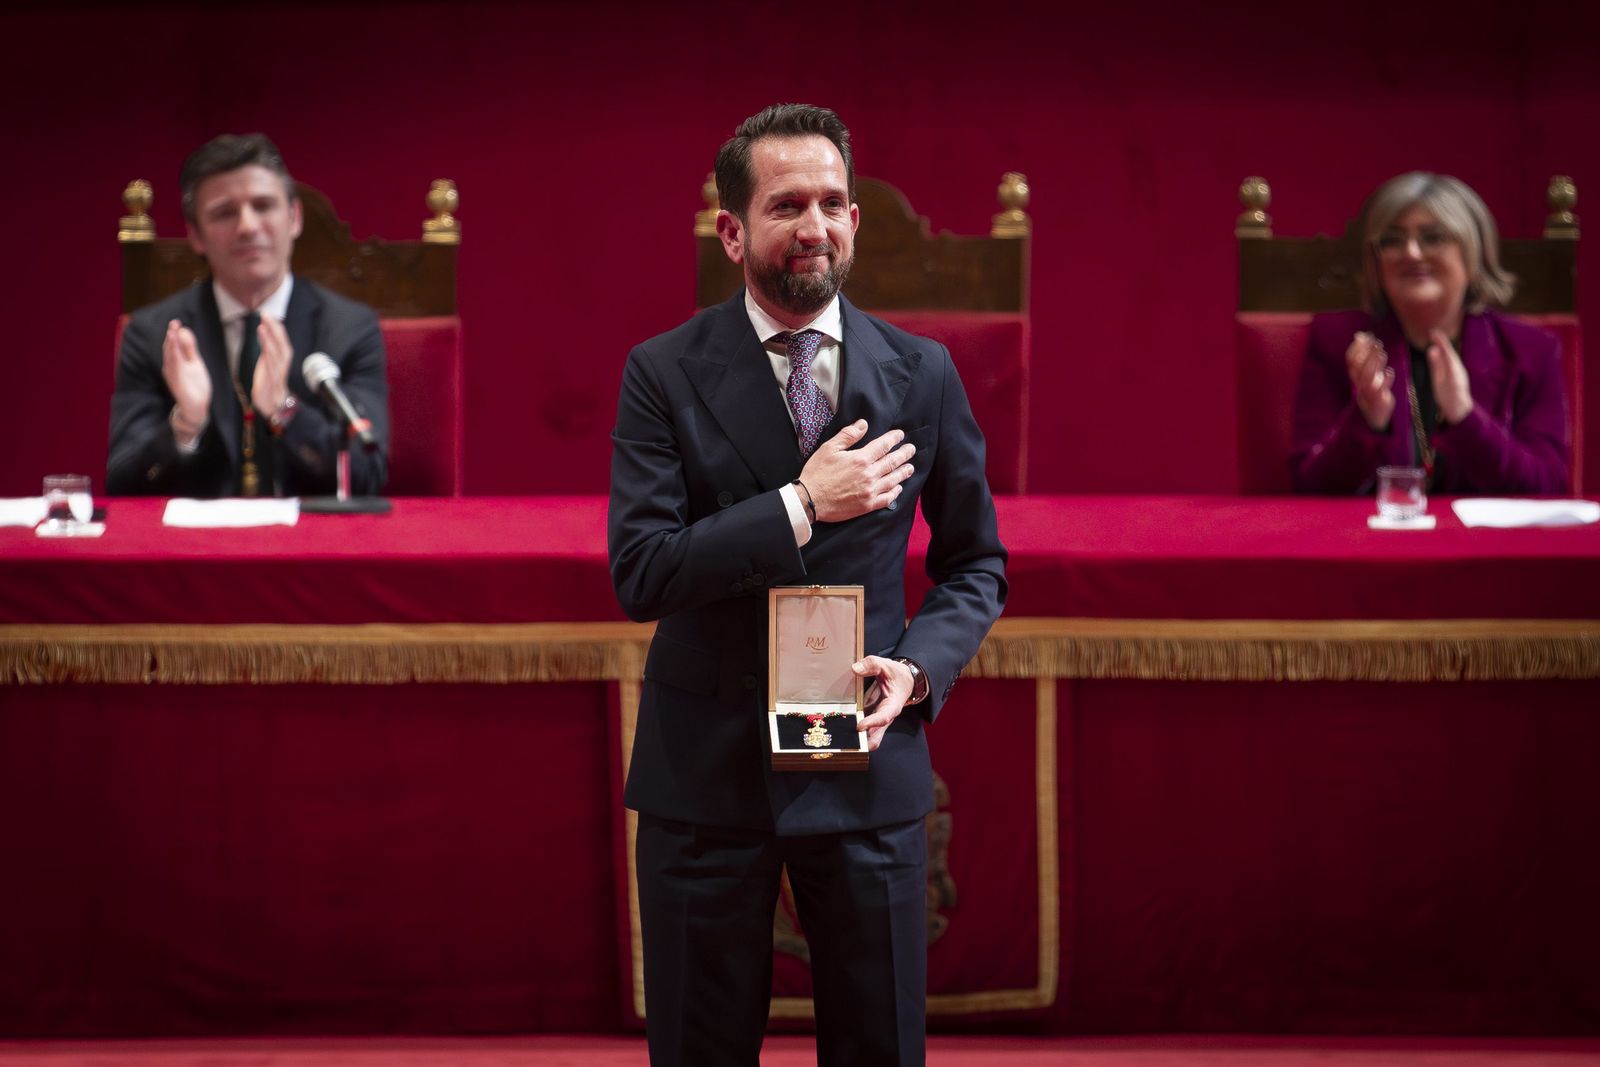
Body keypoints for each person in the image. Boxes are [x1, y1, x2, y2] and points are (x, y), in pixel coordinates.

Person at [608, 104, 1007, 1066]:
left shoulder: (924, 372)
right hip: (708, 774)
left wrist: (917, 670)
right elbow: (643, 570)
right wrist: (800, 504)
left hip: (864, 757)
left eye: (833, 203)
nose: (814, 226)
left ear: (855, 220)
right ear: (732, 231)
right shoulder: (662, 372)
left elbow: (976, 564)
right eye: (786, 205)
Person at [107, 133, 388, 497]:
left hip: (307, 532)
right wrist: (186, 424)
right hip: (198, 534)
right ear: (196, 236)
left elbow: (368, 476)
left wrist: (286, 410)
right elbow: (122, 483)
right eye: (225, 213)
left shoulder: (350, 329)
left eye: (263, 205)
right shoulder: (154, 334)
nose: (248, 227)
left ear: (294, 218)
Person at [1290, 171, 1570, 495]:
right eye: (1392, 240)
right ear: (1376, 262)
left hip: (1478, 531)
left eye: (1433, 237)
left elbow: (1549, 486)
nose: (1411, 252)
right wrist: (1367, 420)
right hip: (1373, 528)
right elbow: (1307, 486)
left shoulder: (1531, 350)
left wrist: (1465, 417)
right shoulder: (1336, 340)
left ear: (1472, 253)